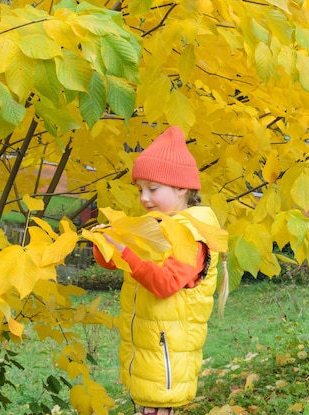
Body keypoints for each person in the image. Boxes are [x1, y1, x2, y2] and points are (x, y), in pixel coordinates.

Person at [92, 125, 225, 415]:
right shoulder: (155, 226)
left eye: (153, 189)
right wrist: (103, 244)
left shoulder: (193, 235)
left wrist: (126, 251)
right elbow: (116, 262)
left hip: (168, 359)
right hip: (145, 353)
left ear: (182, 188)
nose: (144, 198)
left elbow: (165, 283)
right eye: (140, 189)